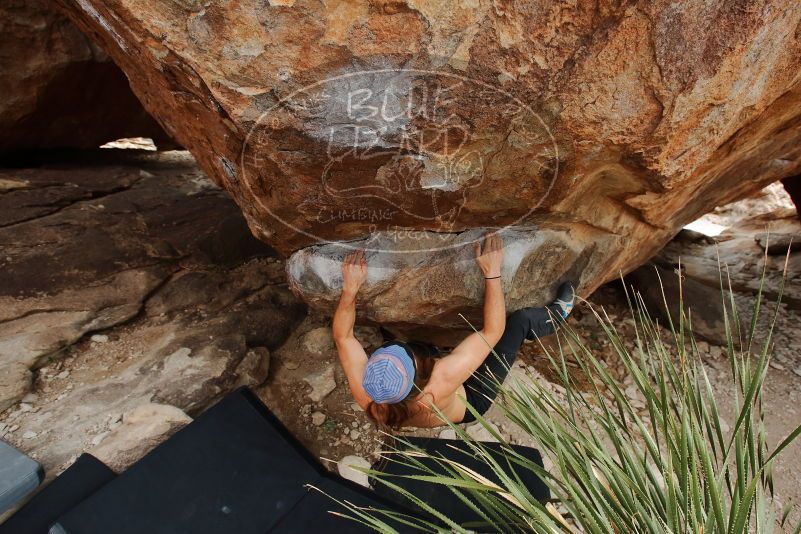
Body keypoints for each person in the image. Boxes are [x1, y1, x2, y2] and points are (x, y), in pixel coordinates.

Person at [332, 232, 576, 429]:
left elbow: (343, 337)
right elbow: (492, 331)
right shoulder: (440, 380)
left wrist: (350, 289)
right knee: (519, 322)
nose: (397, 349)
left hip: (432, 397)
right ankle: (553, 318)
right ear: (419, 375)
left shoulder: (370, 393)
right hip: (471, 399)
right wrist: (492, 273)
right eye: (406, 357)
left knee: (419, 344)